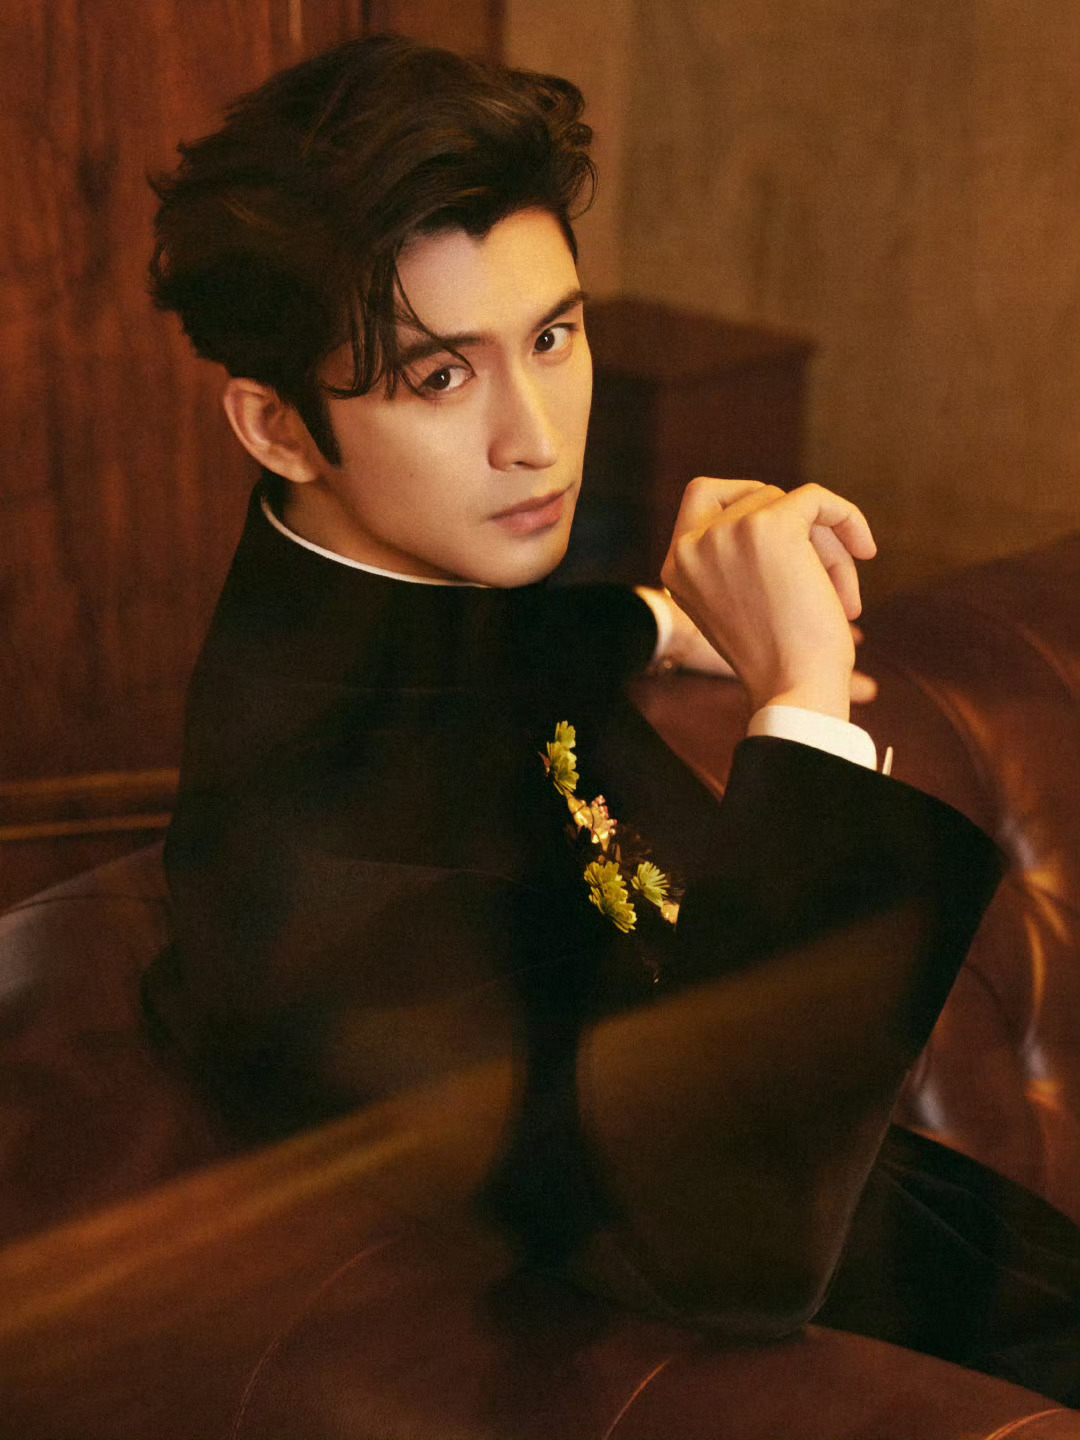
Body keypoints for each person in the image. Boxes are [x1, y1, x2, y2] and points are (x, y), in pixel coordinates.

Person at [142, 34, 1079, 1401]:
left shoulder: (395, 608)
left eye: (552, 336)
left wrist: (662, 618)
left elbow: (512, 647)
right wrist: (801, 702)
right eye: (440, 377)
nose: (536, 438)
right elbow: (724, 1252)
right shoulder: (308, 848)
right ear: (278, 429)